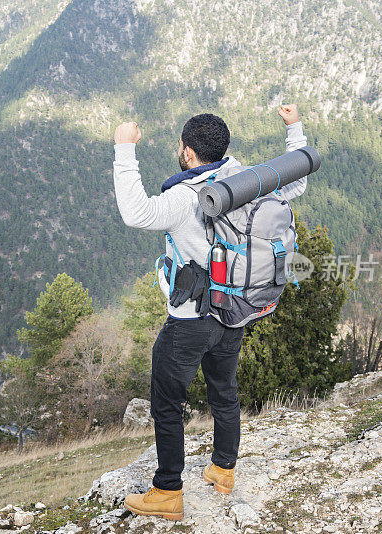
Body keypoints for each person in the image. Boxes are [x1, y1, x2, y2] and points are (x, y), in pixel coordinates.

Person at [112, 105, 308, 520]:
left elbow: (136, 213)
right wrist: (294, 129)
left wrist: (124, 148)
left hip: (189, 321)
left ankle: (167, 492)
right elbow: (295, 184)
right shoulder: (244, 180)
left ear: (186, 152)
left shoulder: (185, 197)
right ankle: (222, 470)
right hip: (233, 309)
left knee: (167, 403)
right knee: (224, 391)